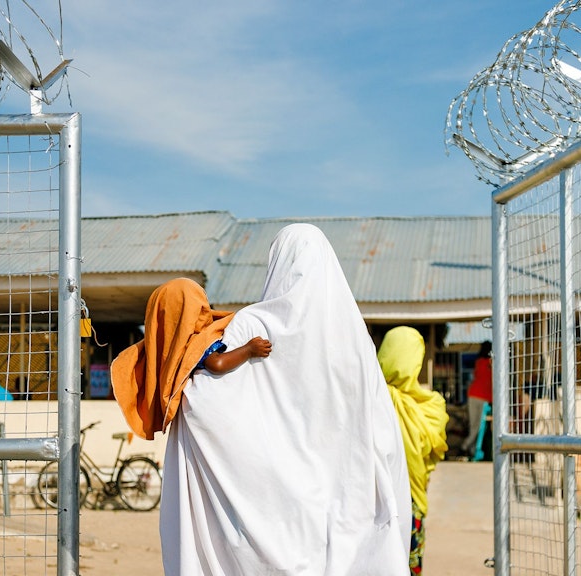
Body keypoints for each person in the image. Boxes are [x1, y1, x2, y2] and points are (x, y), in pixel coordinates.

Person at [117, 224, 411, 575]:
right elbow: (377, 420)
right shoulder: (354, 337)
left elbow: (204, 402)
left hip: (272, 504)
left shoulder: (250, 325)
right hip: (343, 489)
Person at [110, 277, 271, 441]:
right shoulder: (196, 342)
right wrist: (248, 350)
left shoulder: (168, 348)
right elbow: (217, 363)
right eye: (200, 307)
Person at [377, 326, 449, 575]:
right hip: (412, 502)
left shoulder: (372, 398)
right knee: (408, 561)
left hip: (371, 502)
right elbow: (431, 453)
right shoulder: (432, 406)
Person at [461, 340, 492, 459]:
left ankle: (472, 449)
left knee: (474, 424)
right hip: (483, 397)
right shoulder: (491, 362)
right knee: (479, 426)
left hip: (473, 395)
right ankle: (466, 446)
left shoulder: (478, 362)